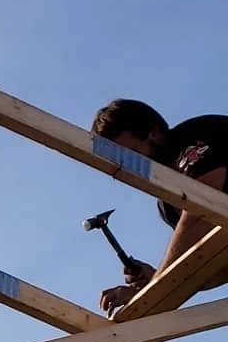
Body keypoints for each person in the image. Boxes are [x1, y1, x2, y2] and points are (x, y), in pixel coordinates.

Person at [89, 100, 228, 314]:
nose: (128, 169)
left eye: (132, 153)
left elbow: (202, 210)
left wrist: (158, 287)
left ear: (153, 134)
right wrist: (156, 280)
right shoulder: (169, 205)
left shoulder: (195, 136)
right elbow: (212, 265)